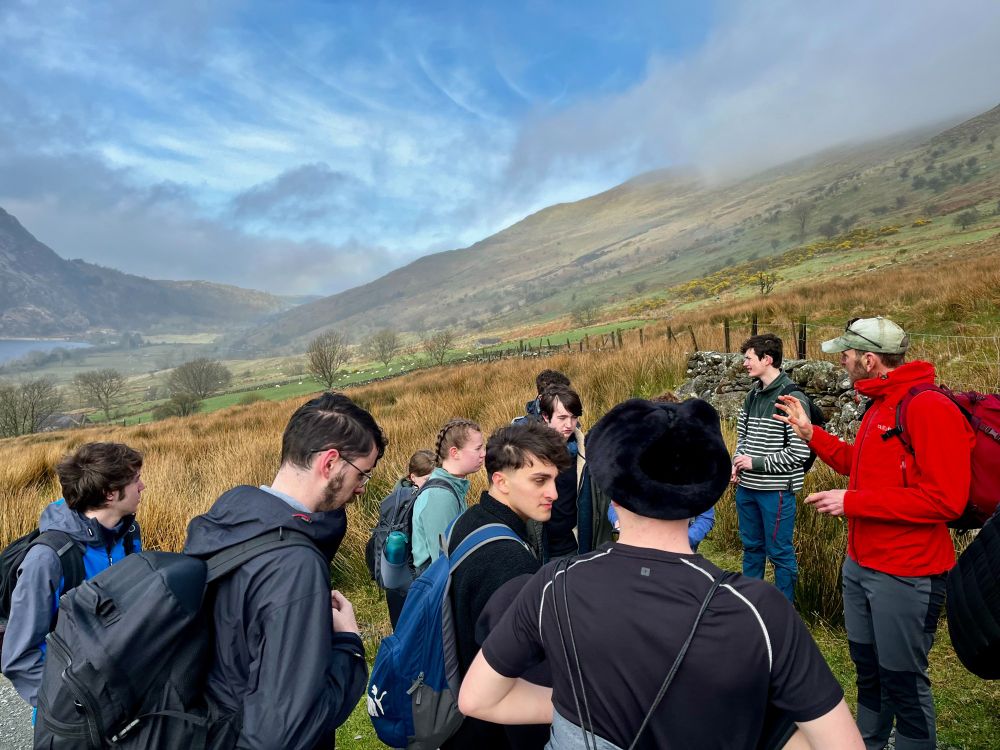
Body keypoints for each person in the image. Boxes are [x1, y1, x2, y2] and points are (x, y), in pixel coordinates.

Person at [459, 398, 863, 750]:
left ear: (613, 490)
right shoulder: (760, 610)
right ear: (705, 491)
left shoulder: (552, 585)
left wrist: (580, 709)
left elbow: (478, 700)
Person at [776, 316, 974, 750]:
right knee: (868, 668)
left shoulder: (927, 407)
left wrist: (851, 503)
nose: (841, 362)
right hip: (861, 565)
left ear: (869, 359)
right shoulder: (880, 403)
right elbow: (858, 466)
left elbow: (946, 501)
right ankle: (867, 741)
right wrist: (813, 435)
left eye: (846, 354)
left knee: (903, 679)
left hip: (908, 572)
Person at [183, 391, 386, 750]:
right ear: (329, 463)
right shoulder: (295, 565)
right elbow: (286, 730)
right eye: (363, 475)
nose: (361, 490)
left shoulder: (226, 519)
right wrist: (349, 645)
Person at [443, 421, 571, 749]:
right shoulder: (511, 565)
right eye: (540, 480)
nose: (553, 493)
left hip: (460, 714)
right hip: (492, 732)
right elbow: (521, 675)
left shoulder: (469, 522)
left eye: (555, 480)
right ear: (500, 481)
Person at [2, 442, 143, 707]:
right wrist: (70, 706)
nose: (142, 486)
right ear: (110, 493)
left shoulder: (129, 534)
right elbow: (19, 656)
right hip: (76, 710)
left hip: (123, 688)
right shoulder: (48, 559)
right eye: (136, 480)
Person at [732, 333, 811, 602]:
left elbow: (800, 452)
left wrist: (754, 463)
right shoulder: (752, 396)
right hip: (747, 489)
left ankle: (783, 611)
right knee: (752, 548)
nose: (744, 363)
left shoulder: (791, 398)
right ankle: (751, 607)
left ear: (767, 359)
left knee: (779, 553)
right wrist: (737, 462)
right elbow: (742, 438)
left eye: (748, 358)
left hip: (775, 492)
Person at [536, 384, 613, 560]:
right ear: (546, 416)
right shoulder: (527, 456)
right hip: (540, 552)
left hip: (577, 548)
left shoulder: (588, 454)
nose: (569, 424)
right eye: (562, 417)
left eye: (573, 417)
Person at [411, 419, 485, 573]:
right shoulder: (440, 496)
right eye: (478, 448)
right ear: (454, 453)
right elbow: (444, 560)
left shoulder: (452, 484)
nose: (483, 454)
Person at [378, 449, 436, 628]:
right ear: (412, 477)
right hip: (410, 576)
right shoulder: (416, 501)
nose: (431, 485)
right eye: (427, 479)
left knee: (401, 630)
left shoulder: (393, 499)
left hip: (394, 574)